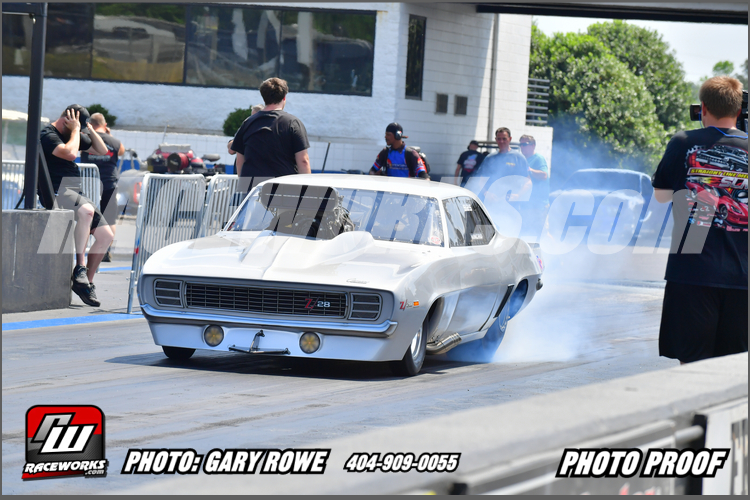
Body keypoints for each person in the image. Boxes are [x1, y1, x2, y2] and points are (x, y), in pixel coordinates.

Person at [651, 76, 748, 364]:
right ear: (739, 109)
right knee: (735, 366)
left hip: (691, 270)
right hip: (743, 274)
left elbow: (661, 196)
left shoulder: (683, 142)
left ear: (702, 107)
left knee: (692, 365)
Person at [40, 104, 114, 307]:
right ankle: (80, 266)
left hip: (73, 191)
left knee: (106, 235)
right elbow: (70, 154)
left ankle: (85, 283)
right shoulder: (48, 134)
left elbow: (102, 150)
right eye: (76, 128)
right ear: (67, 120)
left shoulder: (74, 133)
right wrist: (75, 131)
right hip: (55, 190)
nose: (79, 133)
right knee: (87, 211)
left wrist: (88, 128)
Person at [230, 79, 311, 192]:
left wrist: (245, 188)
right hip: (284, 188)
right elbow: (303, 161)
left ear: (264, 97)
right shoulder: (293, 123)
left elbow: (240, 160)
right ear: (284, 97)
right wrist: (307, 190)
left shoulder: (248, 123)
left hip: (253, 189)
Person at [80, 112, 124, 262]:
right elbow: (121, 151)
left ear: (90, 124)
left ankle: (83, 249)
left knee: (86, 217)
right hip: (109, 183)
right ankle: (105, 249)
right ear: (105, 125)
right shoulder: (115, 142)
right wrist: (109, 135)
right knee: (109, 219)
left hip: (89, 184)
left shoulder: (86, 138)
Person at [469, 127, 530, 202]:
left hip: (512, 203)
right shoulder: (489, 158)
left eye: (504, 139)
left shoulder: (519, 158)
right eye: (499, 139)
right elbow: (481, 180)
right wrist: (486, 193)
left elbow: (528, 181)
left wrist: (518, 195)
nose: (501, 141)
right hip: (492, 202)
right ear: (496, 139)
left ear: (510, 139)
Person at [519, 134, 550, 234]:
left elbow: (544, 175)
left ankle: (555, 245)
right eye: (521, 144)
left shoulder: (538, 158)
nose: (522, 147)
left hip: (539, 204)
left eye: (525, 144)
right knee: (527, 234)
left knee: (542, 234)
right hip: (526, 204)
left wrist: (530, 170)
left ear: (533, 145)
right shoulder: (522, 159)